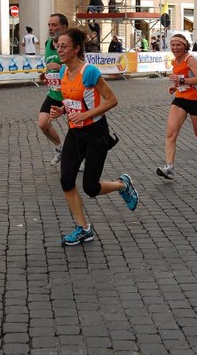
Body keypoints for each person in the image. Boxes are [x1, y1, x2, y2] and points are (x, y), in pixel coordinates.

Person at [50, 27, 139, 246]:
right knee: (66, 180)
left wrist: (86, 114)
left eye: (64, 46)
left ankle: (122, 184)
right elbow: (72, 100)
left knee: (91, 188)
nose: (59, 50)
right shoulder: (63, 72)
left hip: (96, 134)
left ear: (76, 48)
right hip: (75, 133)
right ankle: (83, 228)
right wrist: (62, 110)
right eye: (57, 46)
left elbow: (111, 100)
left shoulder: (89, 72)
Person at [156, 33, 197, 181]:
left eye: (178, 45)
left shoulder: (190, 59)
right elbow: (182, 83)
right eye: (173, 45)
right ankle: (169, 168)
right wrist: (175, 87)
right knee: (170, 133)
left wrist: (181, 79)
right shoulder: (175, 61)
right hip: (181, 99)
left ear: (185, 45)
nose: (175, 48)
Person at [38, 13, 69, 166]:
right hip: (53, 92)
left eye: (54, 25)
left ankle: (80, 157)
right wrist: (47, 75)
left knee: (76, 129)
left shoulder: (72, 44)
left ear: (64, 27)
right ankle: (60, 149)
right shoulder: (48, 44)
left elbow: (80, 66)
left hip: (70, 93)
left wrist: (61, 67)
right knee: (43, 123)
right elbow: (50, 65)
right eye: (49, 25)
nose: (50, 28)